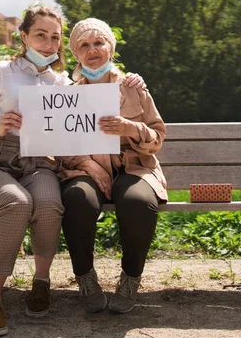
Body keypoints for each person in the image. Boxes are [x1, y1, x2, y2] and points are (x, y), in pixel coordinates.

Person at [0, 7, 145, 337]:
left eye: (55, 37)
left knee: (49, 205)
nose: (48, 44)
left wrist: (89, 162)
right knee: (16, 204)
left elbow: (76, 130)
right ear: (24, 36)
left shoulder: (62, 82)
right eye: (40, 35)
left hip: (40, 162)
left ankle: (41, 282)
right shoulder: (2, 70)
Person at [59, 18, 167, 314]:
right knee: (76, 198)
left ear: (110, 47)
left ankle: (130, 278)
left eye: (98, 43)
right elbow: (60, 148)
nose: (92, 50)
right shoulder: (66, 95)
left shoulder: (133, 87)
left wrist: (129, 128)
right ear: (76, 54)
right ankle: (85, 277)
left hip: (134, 168)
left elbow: (157, 137)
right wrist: (89, 166)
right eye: (84, 45)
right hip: (86, 170)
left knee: (137, 201)